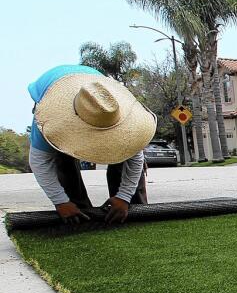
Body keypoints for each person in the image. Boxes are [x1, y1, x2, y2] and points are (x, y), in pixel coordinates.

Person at [28, 65, 155, 225]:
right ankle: (78, 213)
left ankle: (130, 209)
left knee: (127, 151)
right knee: (62, 158)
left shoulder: (114, 110)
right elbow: (39, 162)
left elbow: (135, 157)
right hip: (51, 90)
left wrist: (124, 196)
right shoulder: (49, 123)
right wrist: (60, 201)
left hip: (94, 83)